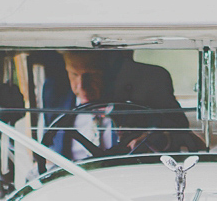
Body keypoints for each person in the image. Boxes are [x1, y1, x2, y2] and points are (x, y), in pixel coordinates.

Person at [41, 51, 204, 159]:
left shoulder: (143, 98)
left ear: (110, 73)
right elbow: (47, 147)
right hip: (70, 187)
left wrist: (157, 139)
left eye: (92, 75)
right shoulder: (55, 95)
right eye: (74, 74)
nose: (82, 86)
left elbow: (187, 139)